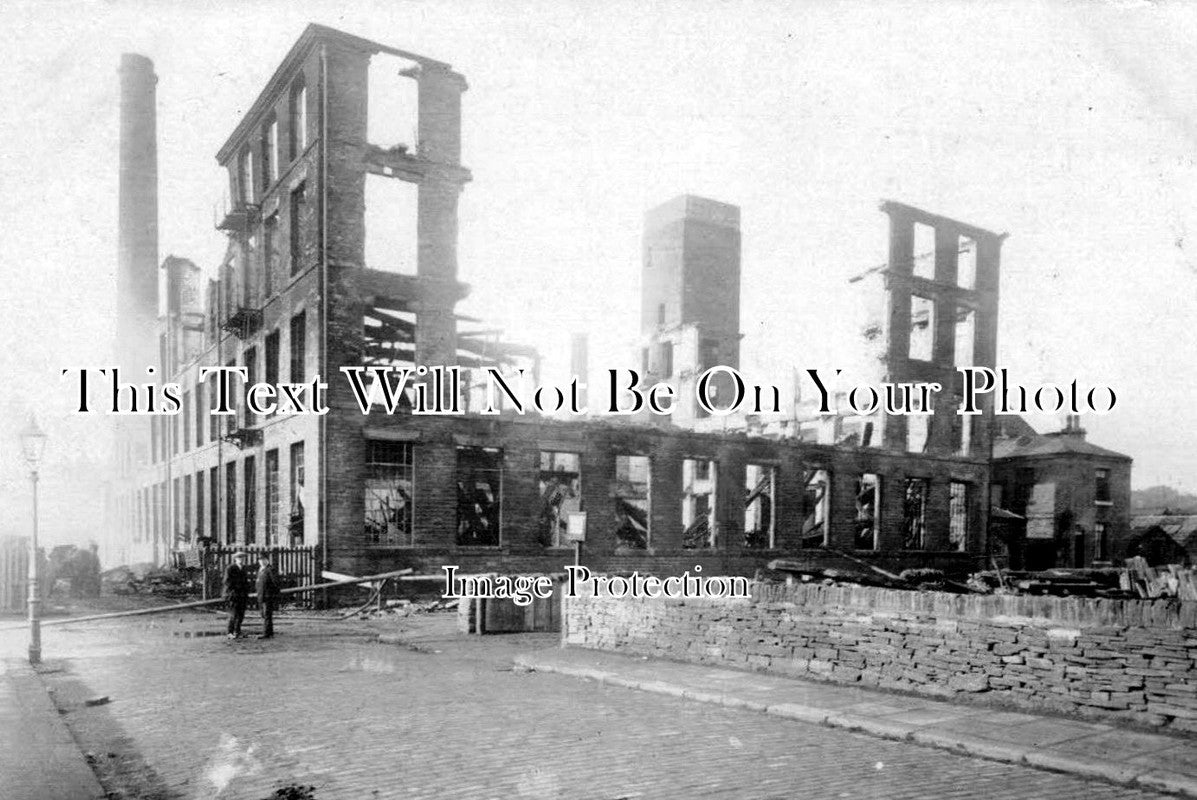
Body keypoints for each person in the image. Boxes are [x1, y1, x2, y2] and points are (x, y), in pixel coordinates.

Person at [222, 551, 250, 639]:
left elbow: (245, 581)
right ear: (235, 559)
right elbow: (227, 581)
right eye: (239, 558)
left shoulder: (244, 568)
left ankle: (237, 631)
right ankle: (230, 632)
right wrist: (235, 589)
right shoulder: (230, 568)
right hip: (232, 595)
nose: (241, 559)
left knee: (241, 615)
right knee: (233, 614)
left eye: (243, 558)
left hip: (242, 595)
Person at [255, 553, 281, 639]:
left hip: (267, 596)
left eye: (263, 559)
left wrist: (273, 595)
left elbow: (276, 583)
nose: (261, 561)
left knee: (267, 615)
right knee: (263, 614)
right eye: (260, 560)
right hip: (261, 595)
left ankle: (266, 633)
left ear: (267, 560)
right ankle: (270, 632)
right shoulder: (260, 570)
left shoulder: (270, 569)